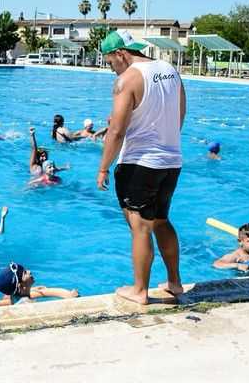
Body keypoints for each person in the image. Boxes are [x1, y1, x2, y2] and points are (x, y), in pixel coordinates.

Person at [95, 30, 186, 305]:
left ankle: (140, 291)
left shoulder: (128, 79)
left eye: (110, 62)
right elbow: (180, 112)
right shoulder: (170, 70)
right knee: (161, 220)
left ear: (121, 53)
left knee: (140, 227)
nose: (112, 69)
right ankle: (175, 282)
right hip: (171, 161)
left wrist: (103, 167)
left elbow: (116, 132)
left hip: (139, 164)